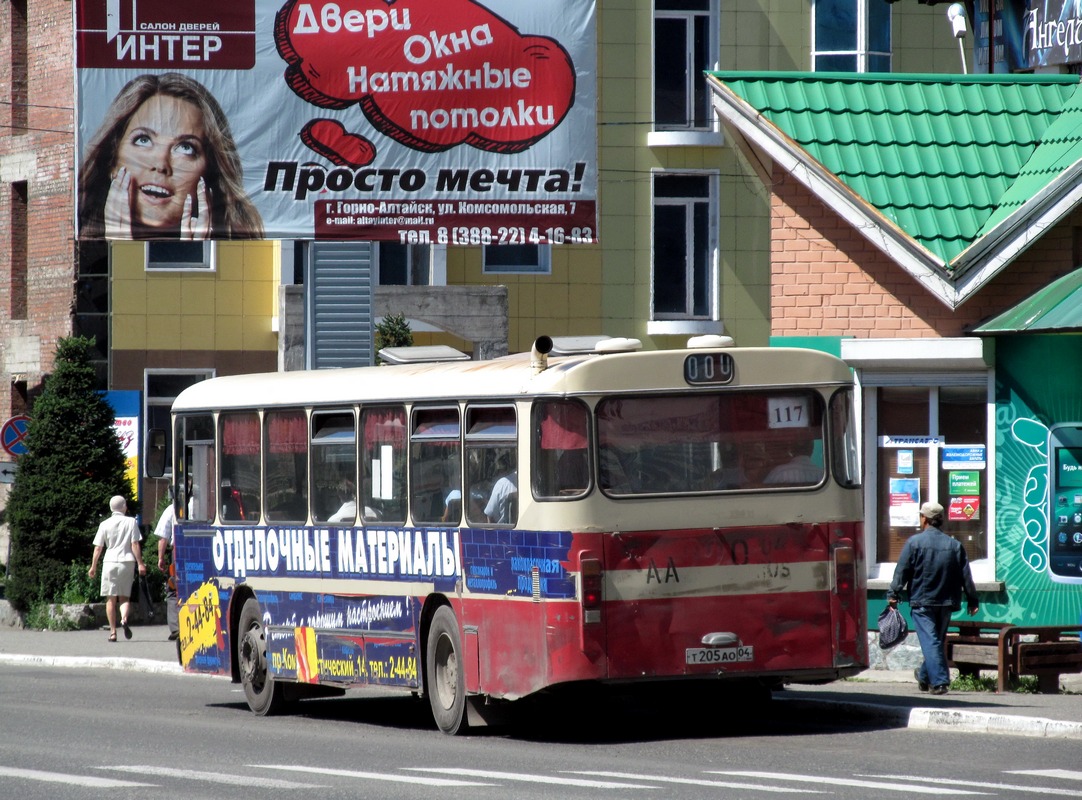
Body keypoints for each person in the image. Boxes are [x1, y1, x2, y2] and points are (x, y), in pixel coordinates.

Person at [78, 73, 263, 241]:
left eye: (185, 148)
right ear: (112, 159)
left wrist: (200, 259)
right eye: (143, 140)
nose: (161, 164)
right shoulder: (74, 249)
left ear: (210, 173)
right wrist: (119, 252)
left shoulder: (245, 258)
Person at [889, 500, 980, 696]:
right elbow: (966, 576)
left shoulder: (914, 543)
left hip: (923, 602)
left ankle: (939, 682)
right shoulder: (954, 545)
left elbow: (902, 571)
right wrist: (973, 600)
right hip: (946, 602)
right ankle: (924, 677)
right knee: (936, 640)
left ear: (924, 519)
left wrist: (893, 594)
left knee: (931, 641)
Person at [88, 496, 147, 642]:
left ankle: (113, 632)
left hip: (110, 561)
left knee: (110, 599)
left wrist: (93, 566)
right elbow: (134, 544)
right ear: (124, 507)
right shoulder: (131, 521)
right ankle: (124, 619)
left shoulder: (104, 524)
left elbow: (98, 547)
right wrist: (140, 563)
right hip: (127, 561)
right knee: (124, 597)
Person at [154, 498, 180, 641]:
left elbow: (163, 537)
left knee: (173, 591)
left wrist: (161, 558)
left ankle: (176, 629)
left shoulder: (172, 509)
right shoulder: (205, 504)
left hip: (179, 552)